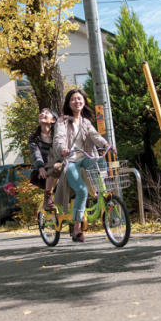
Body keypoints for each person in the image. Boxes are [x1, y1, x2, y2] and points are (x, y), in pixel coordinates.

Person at [53, 89, 110, 242]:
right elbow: (59, 138)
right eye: (73, 99)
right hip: (71, 161)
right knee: (81, 190)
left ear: (84, 101)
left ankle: (99, 190)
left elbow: (94, 135)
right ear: (68, 103)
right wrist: (62, 149)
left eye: (79, 99)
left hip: (85, 157)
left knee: (102, 162)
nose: (77, 102)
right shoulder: (62, 121)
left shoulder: (86, 122)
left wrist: (106, 144)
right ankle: (77, 228)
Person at [28, 108, 60, 211]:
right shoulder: (34, 138)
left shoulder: (58, 136)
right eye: (41, 112)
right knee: (54, 169)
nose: (42, 114)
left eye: (46, 113)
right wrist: (40, 167)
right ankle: (48, 199)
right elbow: (36, 154)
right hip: (42, 173)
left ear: (53, 120)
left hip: (60, 169)